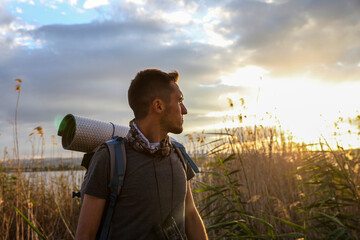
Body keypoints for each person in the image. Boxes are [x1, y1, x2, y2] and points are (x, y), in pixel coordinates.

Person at [75, 69, 208, 240]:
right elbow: (85, 235)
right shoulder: (109, 159)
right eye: (180, 100)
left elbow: (191, 216)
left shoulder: (179, 153)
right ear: (158, 106)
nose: (184, 110)